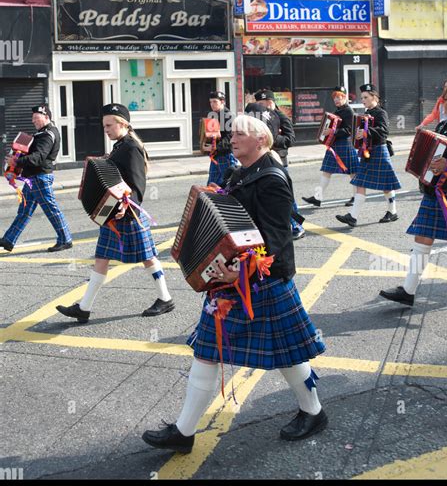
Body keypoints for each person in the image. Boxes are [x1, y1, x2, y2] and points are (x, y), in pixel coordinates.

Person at [142, 114, 327, 453]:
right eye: (232, 132)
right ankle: (184, 431)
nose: (233, 137)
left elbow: (276, 239)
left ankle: (313, 411)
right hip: (231, 280)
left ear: (262, 140)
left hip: (261, 280)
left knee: (287, 353)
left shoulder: (272, 178)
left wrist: (239, 272)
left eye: (241, 133)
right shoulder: (237, 173)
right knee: (207, 352)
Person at [56, 103, 173, 322]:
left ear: (123, 124)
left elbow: (137, 185)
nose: (106, 129)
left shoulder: (130, 147)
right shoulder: (121, 145)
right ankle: (84, 307)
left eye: (109, 125)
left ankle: (165, 298)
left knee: (148, 257)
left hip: (127, 215)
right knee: (102, 258)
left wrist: (126, 208)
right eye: (104, 125)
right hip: (115, 215)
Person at [380, 77, 447, 307]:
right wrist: (421, 168)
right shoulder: (444, 124)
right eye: (446, 98)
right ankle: (408, 291)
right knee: (422, 236)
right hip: (436, 190)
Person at [0, 105, 73, 253]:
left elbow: (38, 157)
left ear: (46, 117)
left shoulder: (47, 135)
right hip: (33, 178)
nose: (33, 120)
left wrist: (17, 162)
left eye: (36, 118)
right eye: (32, 118)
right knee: (24, 211)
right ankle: (8, 240)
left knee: (51, 210)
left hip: (40, 177)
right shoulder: (42, 133)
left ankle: (65, 239)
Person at [335, 84, 401, 228]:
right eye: (362, 97)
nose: (363, 100)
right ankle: (353, 216)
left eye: (365, 97)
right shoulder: (366, 113)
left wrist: (366, 132)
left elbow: (384, 132)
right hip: (367, 152)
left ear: (374, 97)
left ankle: (393, 211)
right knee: (360, 182)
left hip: (379, 150)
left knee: (386, 185)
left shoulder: (381, 113)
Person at [253, 89, 305, 240]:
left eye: (262, 104)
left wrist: (272, 139)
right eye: (258, 104)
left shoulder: (281, 116)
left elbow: (290, 139)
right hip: (261, 160)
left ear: (270, 102)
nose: (260, 107)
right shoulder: (260, 118)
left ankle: (297, 226)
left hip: (278, 161)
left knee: (285, 195)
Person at [302, 85, 360, 208]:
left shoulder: (348, 111)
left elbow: (349, 130)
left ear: (345, 98)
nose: (336, 100)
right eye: (335, 97)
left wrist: (332, 133)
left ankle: (356, 197)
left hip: (345, 143)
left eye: (339, 97)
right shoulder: (337, 111)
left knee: (353, 172)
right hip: (335, 144)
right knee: (326, 170)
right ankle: (317, 198)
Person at [206, 91, 237, 186]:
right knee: (212, 183)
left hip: (226, 154)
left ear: (222, 102)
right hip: (216, 154)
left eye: (215, 102)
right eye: (211, 102)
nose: (212, 104)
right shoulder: (212, 115)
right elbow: (210, 136)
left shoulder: (229, 115)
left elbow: (230, 137)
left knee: (229, 183)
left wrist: (215, 147)